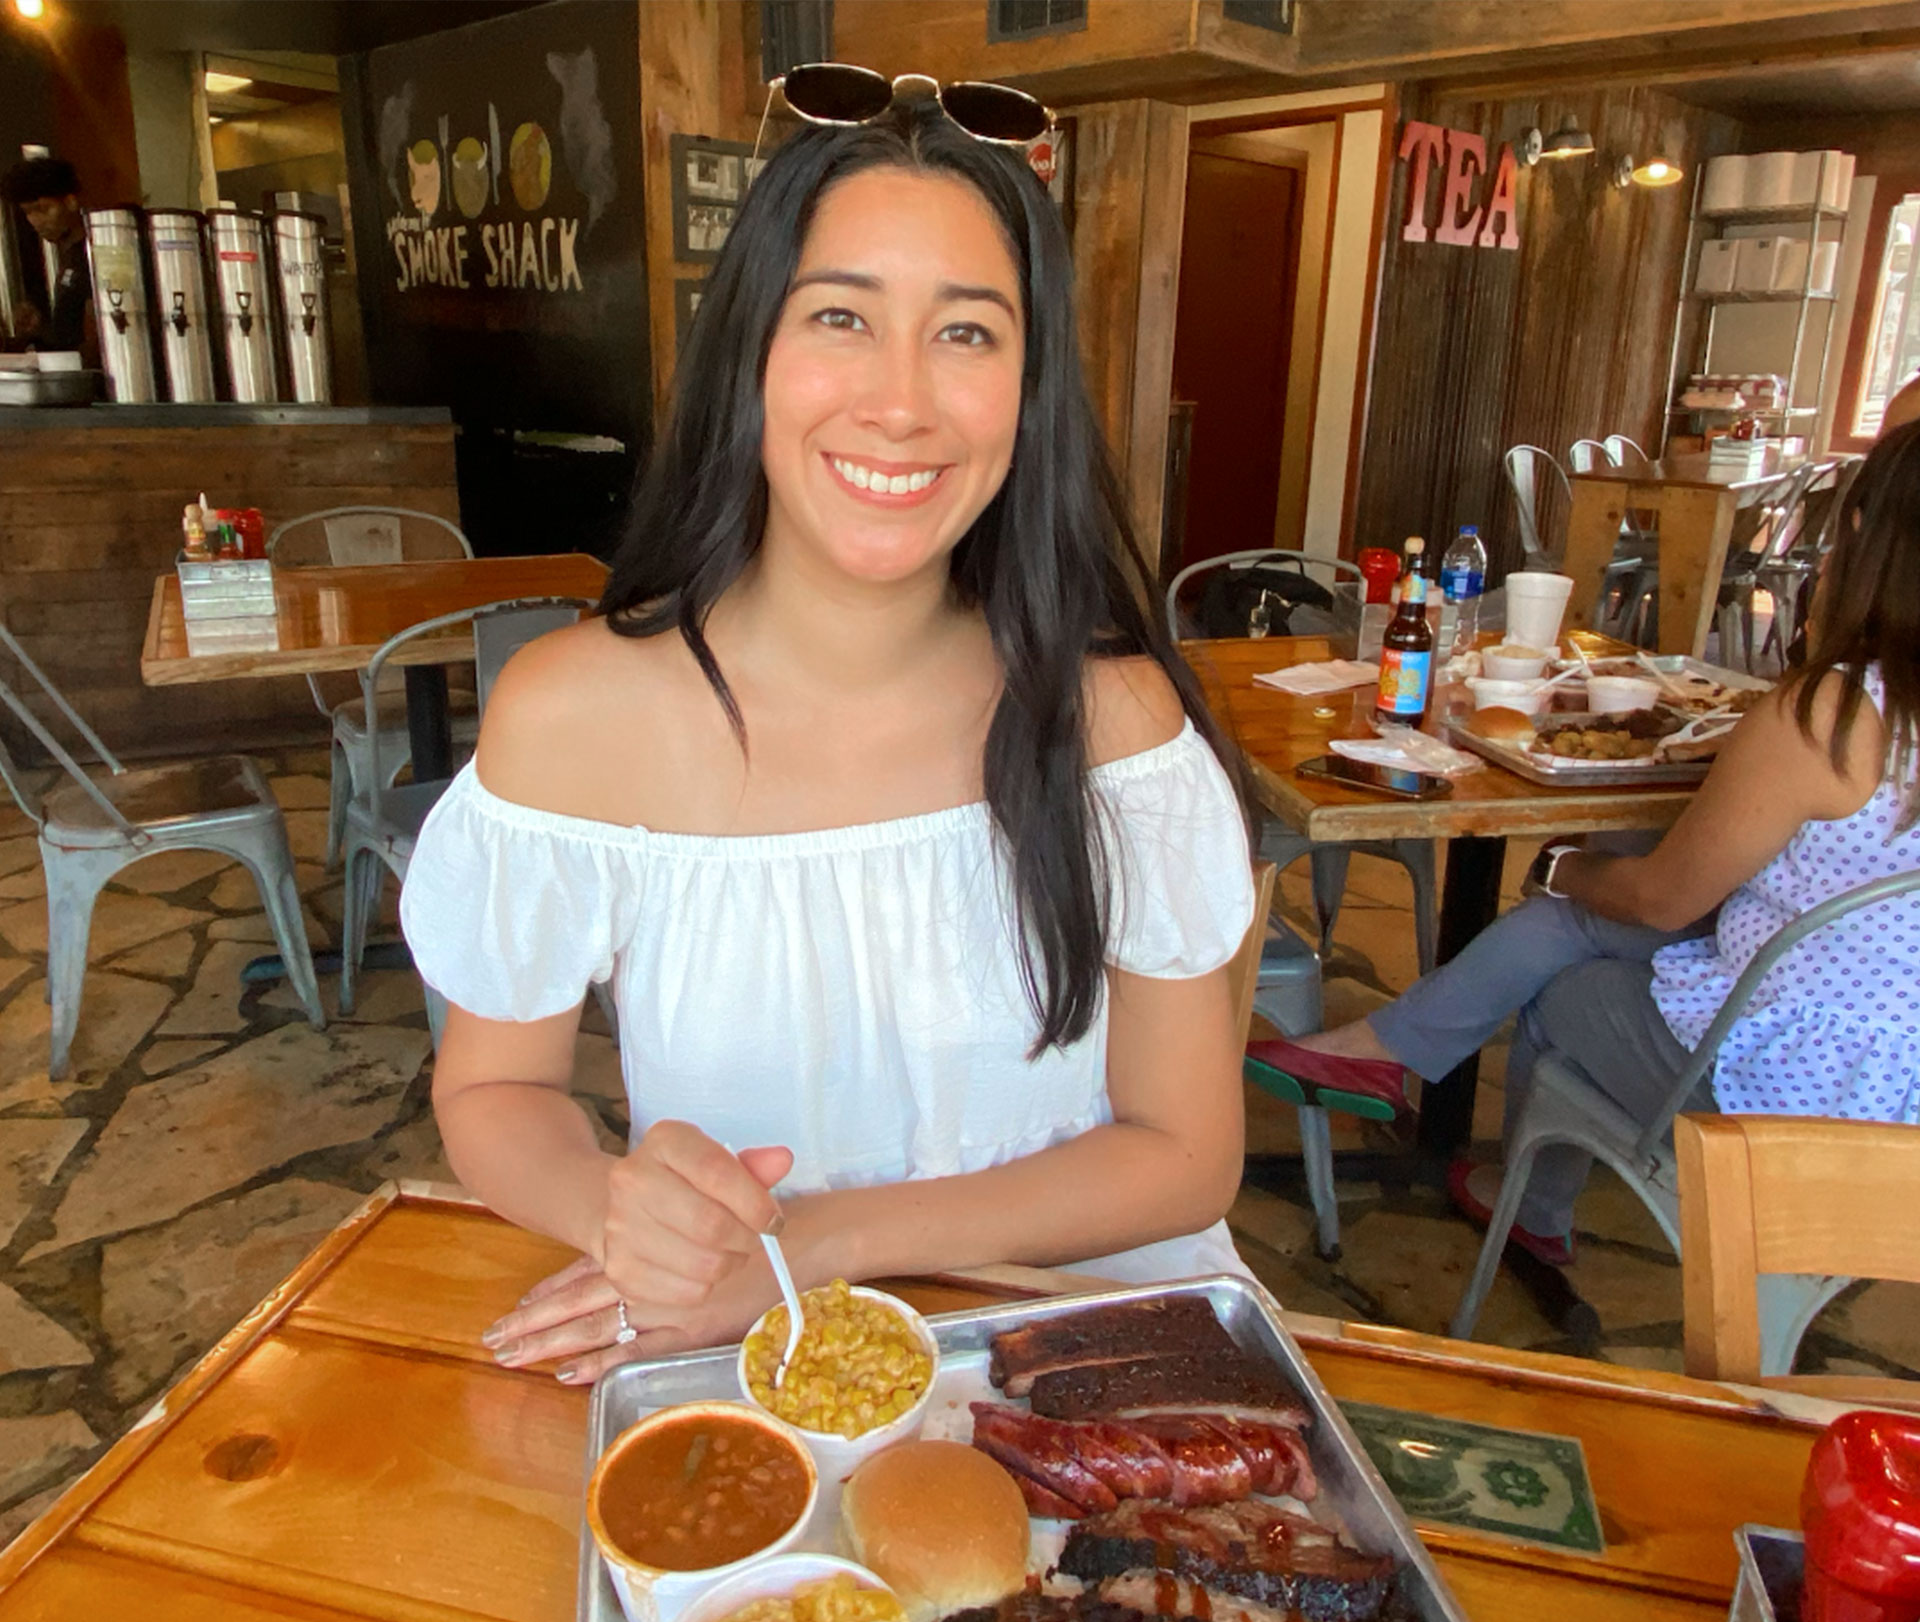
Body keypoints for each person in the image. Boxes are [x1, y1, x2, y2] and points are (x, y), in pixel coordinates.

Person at [399, 91, 1256, 1385]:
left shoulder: (1108, 720)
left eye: (967, 332)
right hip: (755, 1361)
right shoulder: (574, 714)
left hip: (1085, 1357)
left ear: (1029, 389)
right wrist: (614, 1207)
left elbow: (1187, 1152)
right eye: (842, 317)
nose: (901, 402)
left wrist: (817, 1243)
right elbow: (492, 1094)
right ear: (751, 350)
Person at [1261, 421, 1920, 1266]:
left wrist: (1563, 864)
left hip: (1797, 1090)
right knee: (1565, 930)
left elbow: (1662, 897)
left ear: (1866, 539)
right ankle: (1387, 1056)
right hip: (1892, 1064)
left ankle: (1530, 1204)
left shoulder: (1829, 714)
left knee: (1564, 972)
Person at [2, 155, 94, 359]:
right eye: (28, 213)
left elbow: (93, 342)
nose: (35, 221)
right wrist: (39, 328)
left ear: (70, 202)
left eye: (43, 209)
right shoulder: (67, 257)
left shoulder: (94, 254)